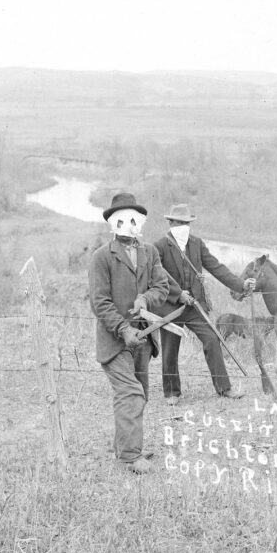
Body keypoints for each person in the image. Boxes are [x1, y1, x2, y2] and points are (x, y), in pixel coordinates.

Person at [88, 193, 173, 474]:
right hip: (115, 341)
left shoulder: (151, 252)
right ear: (113, 223)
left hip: (144, 338)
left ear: (141, 222)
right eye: (122, 219)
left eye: (134, 219)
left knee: (140, 394)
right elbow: (100, 302)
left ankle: (127, 447)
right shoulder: (102, 257)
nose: (129, 224)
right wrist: (123, 329)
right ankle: (129, 457)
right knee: (130, 393)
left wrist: (145, 300)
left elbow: (162, 287)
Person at [152, 203, 255, 402]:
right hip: (171, 306)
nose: (182, 226)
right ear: (170, 223)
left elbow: (217, 268)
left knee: (212, 339)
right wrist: (177, 294)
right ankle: (172, 393)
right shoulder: (159, 247)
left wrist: (241, 285)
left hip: (194, 306)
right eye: (178, 222)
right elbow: (157, 277)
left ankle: (224, 389)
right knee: (170, 348)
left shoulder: (196, 244)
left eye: (186, 223)